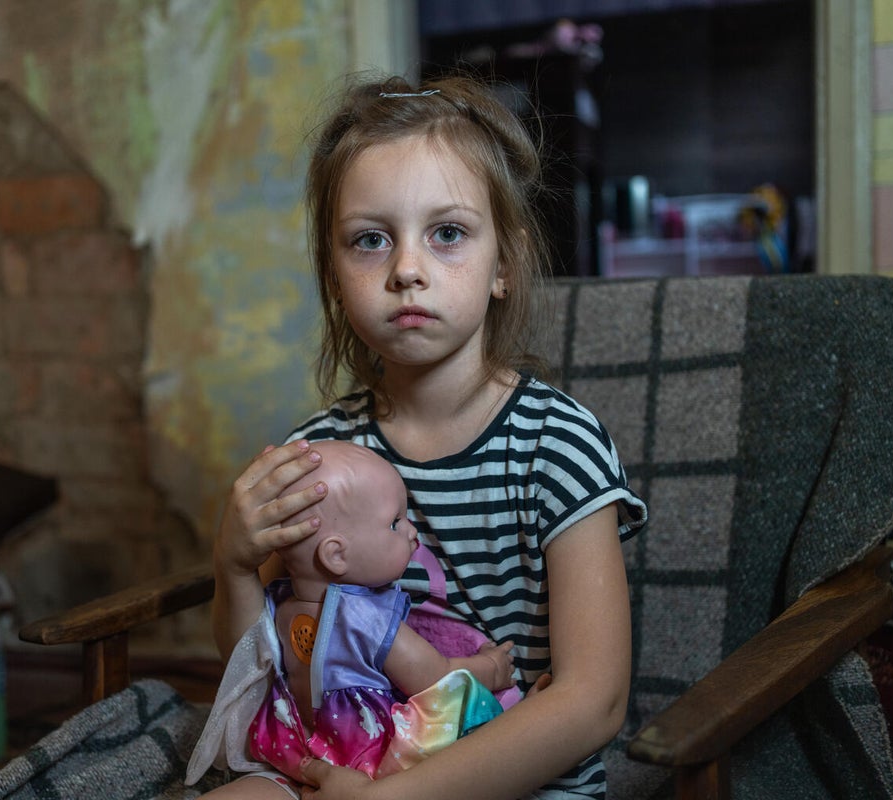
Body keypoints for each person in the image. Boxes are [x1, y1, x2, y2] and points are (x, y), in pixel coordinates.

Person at [211, 72, 647, 800]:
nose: (407, 271)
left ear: (503, 264)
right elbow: (271, 677)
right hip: (350, 766)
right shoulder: (320, 457)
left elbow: (593, 701)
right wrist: (231, 566)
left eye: (447, 234)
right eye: (370, 240)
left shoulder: (557, 445)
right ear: (334, 275)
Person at [187, 440, 516, 792]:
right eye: (395, 523)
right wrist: (492, 669)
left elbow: (250, 661)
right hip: (369, 759)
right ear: (336, 555)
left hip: (296, 746)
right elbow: (436, 676)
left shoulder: (280, 604)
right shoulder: (368, 618)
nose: (412, 531)